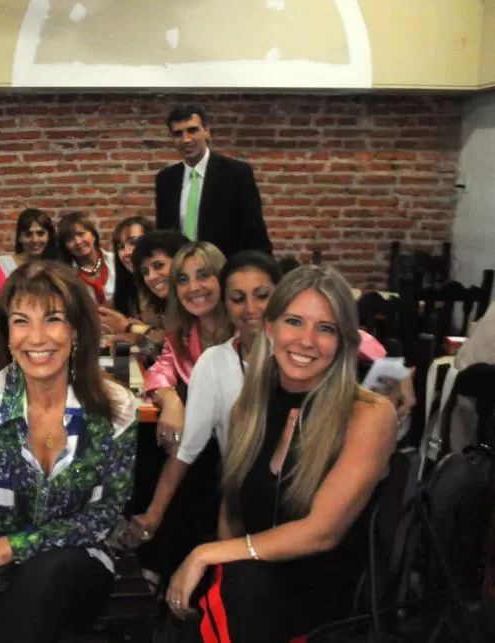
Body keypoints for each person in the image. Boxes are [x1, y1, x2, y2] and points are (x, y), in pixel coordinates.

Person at [165, 264, 397, 643]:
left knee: (232, 584)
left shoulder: (368, 414)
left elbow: (321, 533)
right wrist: (221, 556)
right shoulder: (249, 408)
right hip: (248, 590)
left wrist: (208, 554)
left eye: (326, 328)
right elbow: (232, 510)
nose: (307, 341)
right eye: (294, 321)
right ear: (270, 329)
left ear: (342, 341)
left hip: (325, 605)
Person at [0, 261, 138, 643]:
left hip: (78, 567)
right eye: (21, 321)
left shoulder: (116, 406)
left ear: (76, 331)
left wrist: (10, 546)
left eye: (53, 319)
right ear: (6, 335)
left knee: (45, 575)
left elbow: (102, 515)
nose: (36, 338)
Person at [137, 241, 232, 585]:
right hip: (206, 441)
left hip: (244, 444)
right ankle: (158, 561)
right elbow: (161, 369)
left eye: (204, 276)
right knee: (154, 444)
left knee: (188, 457)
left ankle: (166, 562)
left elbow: (348, 335)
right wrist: (171, 401)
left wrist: (393, 370)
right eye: (184, 279)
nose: (194, 287)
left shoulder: (246, 323)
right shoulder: (185, 331)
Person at [154, 104, 272, 258]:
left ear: (207, 132)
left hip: (224, 269)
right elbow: (163, 235)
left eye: (192, 130)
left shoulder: (236, 174)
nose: (186, 139)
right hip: (180, 272)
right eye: (178, 134)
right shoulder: (166, 180)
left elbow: (254, 233)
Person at [98, 216, 155, 335]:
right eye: (120, 247)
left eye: (134, 242)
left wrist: (129, 327)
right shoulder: (130, 290)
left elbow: (174, 344)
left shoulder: (166, 287)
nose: (127, 252)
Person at [57, 211, 116, 305]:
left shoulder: (115, 261)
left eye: (81, 234)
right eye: (70, 239)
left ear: (93, 235)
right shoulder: (66, 275)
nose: (78, 242)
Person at [0, 207, 57, 277]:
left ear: (49, 236)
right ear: (19, 237)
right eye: (28, 234)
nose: (35, 240)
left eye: (40, 233)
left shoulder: (55, 267)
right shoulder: (3, 264)